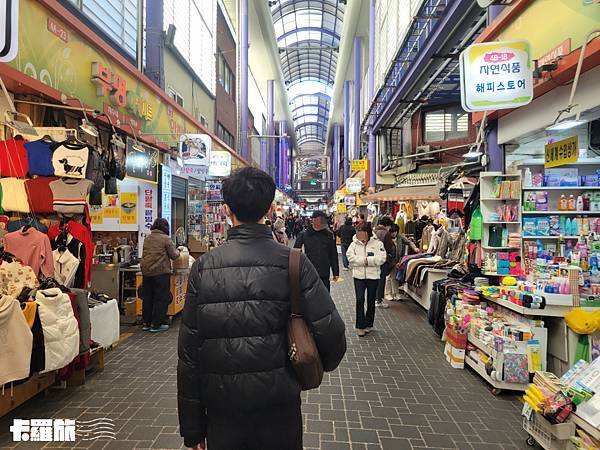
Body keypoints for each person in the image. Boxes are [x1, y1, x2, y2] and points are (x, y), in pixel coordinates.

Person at [178, 167, 346, 450]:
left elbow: (189, 354)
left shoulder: (204, 267)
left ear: (227, 210)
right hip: (279, 408)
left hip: (222, 410)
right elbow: (333, 336)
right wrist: (310, 366)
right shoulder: (293, 262)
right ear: (269, 209)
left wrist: (192, 429)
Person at [140, 218, 180, 333]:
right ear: (165, 228)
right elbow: (174, 255)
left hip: (147, 272)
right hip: (160, 273)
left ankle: (146, 323)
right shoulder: (166, 239)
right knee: (161, 298)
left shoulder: (148, 238)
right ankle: (157, 324)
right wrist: (179, 250)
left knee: (147, 297)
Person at [347, 223, 387, 337]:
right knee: (360, 300)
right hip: (358, 277)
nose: (359, 235)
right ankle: (360, 326)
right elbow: (350, 257)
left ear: (367, 233)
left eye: (361, 232)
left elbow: (382, 258)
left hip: (373, 277)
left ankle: (369, 324)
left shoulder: (377, 243)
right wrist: (363, 261)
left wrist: (368, 261)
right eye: (357, 232)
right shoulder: (354, 244)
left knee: (370, 300)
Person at [294, 210, 340, 291]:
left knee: (325, 297)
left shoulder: (329, 235)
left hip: (324, 272)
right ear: (314, 220)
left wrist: (335, 272)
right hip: (309, 271)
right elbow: (295, 253)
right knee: (310, 298)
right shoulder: (304, 235)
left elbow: (333, 254)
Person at [374, 216, 396, 309]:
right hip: (383, 259)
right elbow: (389, 247)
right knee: (381, 280)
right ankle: (379, 300)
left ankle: (375, 298)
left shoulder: (374, 231)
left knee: (375, 279)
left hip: (374, 259)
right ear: (387, 225)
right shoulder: (385, 233)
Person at [385, 224, 402, 301]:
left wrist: (415, 248)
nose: (394, 233)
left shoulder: (399, 237)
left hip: (397, 260)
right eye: (392, 232)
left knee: (393, 277)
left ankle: (394, 293)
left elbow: (408, 242)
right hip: (389, 260)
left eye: (395, 232)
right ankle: (389, 293)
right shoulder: (387, 238)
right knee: (390, 277)